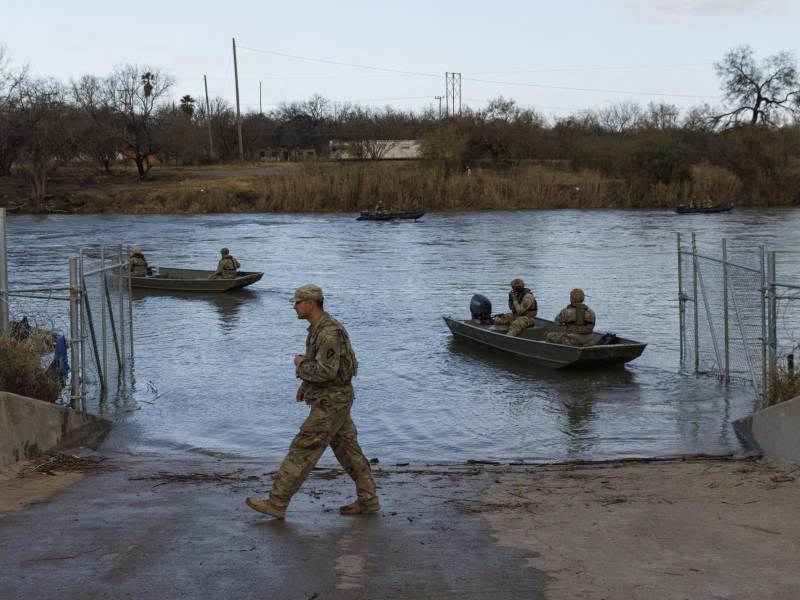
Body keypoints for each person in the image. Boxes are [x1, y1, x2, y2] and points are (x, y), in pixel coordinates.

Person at [245, 284, 379, 520]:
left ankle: (277, 503)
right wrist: (305, 387)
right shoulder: (318, 328)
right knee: (348, 451)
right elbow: (324, 370)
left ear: (310, 303)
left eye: (297, 302)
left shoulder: (328, 332)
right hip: (333, 399)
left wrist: (300, 364)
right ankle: (368, 501)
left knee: (302, 449)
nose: (294, 307)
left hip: (331, 403)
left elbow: (326, 372)